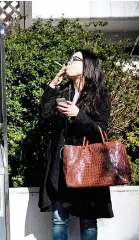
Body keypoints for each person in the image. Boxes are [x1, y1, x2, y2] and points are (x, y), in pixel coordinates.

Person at [38, 50, 113, 240]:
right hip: (61, 165)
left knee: (87, 220)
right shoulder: (64, 91)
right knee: (58, 218)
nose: (70, 62)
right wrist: (53, 84)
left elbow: (101, 132)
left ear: (87, 66)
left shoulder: (99, 95)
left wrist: (78, 114)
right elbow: (45, 116)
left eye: (75, 59)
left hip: (86, 166)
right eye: (70, 58)